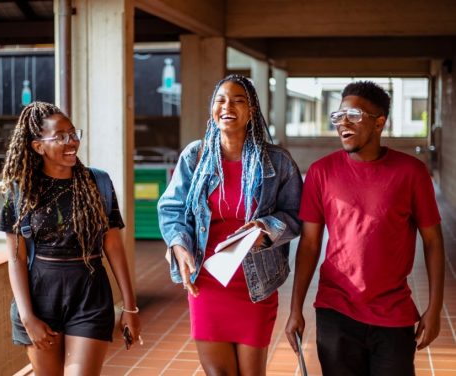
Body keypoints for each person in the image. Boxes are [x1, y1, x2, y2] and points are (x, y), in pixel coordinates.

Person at [285, 81, 445, 376]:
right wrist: (295, 309)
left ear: (379, 122)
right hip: (336, 310)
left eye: (354, 115)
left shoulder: (411, 172)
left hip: (393, 313)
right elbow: (309, 244)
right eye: (338, 116)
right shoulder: (321, 172)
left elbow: (433, 241)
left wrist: (434, 310)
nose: (342, 122)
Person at [158, 74, 303, 375]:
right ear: (212, 107)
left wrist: (265, 229)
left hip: (255, 284)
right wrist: (178, 243)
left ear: (252, 112)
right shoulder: (195, 156)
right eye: (221, 100)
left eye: (239, 101)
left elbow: (295, 215)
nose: (228, 106)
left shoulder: (277, 161)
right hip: (208, 281)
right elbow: (172, 207)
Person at [0, 101, 141, 375]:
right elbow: (16, 257)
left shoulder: (98, 182)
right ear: (38, 146)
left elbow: (113, 246)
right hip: (40, 299)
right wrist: (28, 318)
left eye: (73, 133)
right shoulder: (20, 190)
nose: (71, 140)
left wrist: (130, 308)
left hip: (89, 295)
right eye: (60, 136)